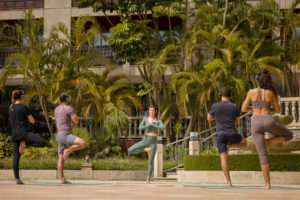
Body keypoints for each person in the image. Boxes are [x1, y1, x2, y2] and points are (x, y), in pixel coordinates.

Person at [241, 69, 293, 189]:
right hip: (267, 120)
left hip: (255, 122)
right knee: (289, 135)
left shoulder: (251, 92)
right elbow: (278, 110)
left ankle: (267, 184)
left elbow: (243, 108)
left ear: (257, 81)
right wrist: (268, 109)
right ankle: (268, 142)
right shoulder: (270, 93)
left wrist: (254, 108)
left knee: (262, 155)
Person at [207, 87, 247, 187]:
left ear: (220, 94)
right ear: (230, 95)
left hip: (220, 135)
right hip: (232, 134)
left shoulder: (215, 106)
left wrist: (217, 117)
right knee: (245, 142)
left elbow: (209, 118)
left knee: (223, 159)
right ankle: (230, 146)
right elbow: (238, 121)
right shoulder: (234, 106)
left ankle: (228, 182)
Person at [8, 89, 47, 185]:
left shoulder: (11, 108)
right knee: (43, 142)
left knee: (16, 157)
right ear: (21, 97)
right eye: (23, 97)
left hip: (14, 135)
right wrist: (24, 139)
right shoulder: (23, 107)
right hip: (23, 134)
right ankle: (25, 143)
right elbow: (32, 121)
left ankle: (17, 179)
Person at [54, 93, 86, 184]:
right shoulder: (69, 108)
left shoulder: (56, 109)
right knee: (83, 143)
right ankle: (68, 150)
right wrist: (75, 121)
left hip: (59, 135)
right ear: (67, 99)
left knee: (60, 158)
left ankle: (61, 179)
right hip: (66, 135)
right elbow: (75, 120)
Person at [128, 105, 164, 184]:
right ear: (149, 111)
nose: (151, 112)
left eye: (153, 110)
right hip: (145, 140)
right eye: (150, 110)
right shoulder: (145, 120)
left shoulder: (158, 120)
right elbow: (140, 128)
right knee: (130, 150)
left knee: (150, 161)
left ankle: (148, 178)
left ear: (155, 112)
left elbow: (162, 127)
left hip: (153, 142)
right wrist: (149, 124)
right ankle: (145, 149)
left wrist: (154, 124)